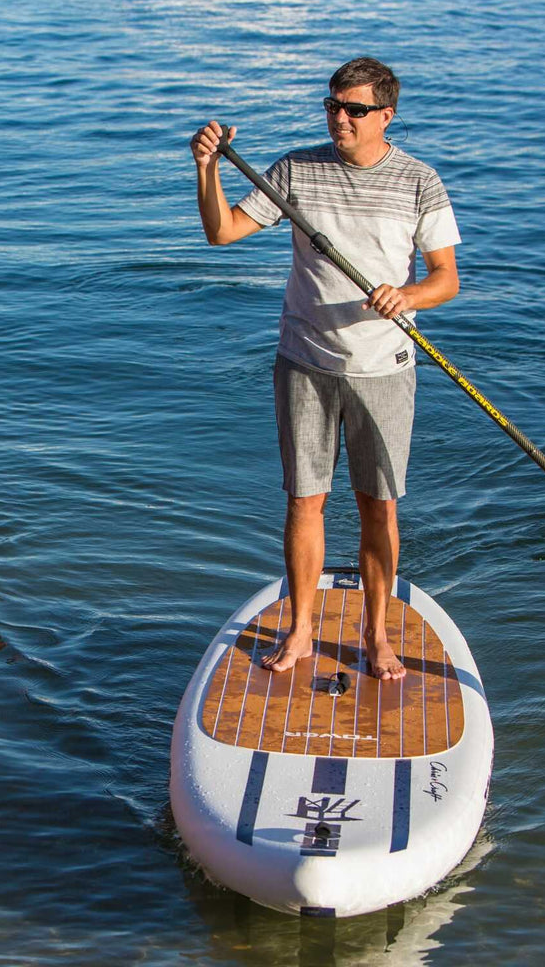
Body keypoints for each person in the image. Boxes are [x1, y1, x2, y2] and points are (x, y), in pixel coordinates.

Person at [190, 57, 460, 680]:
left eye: (355, 110)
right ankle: (302, 630)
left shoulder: (419, 181)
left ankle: (377, 634)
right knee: (304, 503)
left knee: (379, 509)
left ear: (385, 116)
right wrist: (206, 169)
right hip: (304, 362)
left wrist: (408, 295)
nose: (340, 118)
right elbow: (222, 232)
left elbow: (445, 278)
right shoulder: (296, 169)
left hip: (384, 367)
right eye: (333, 106)